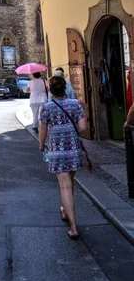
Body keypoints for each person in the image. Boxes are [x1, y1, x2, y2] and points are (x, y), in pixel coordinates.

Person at [39, 75, 87, 240]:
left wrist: (41, 145)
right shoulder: (75, 105)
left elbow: (43, 131)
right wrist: (70, 133)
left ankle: (73, 227)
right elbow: (82, 128)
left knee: (65, 187)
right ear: (65, 88)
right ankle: (65, 211)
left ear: (50, 90)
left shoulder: (47, 107)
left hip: (57, 152)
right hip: (73, 151)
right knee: (70, 184)